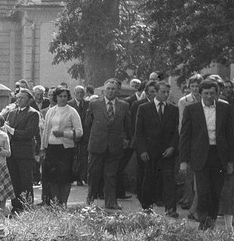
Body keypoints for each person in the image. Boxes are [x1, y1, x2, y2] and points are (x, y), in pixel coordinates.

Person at [179, 80, 234, 230]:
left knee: (216, 190)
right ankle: (204, 222)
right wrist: (183, 160)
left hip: (219, 155)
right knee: (203, 191)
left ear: (217, 93)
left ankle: (211, 220)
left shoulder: (225, 109)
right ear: (200, 94)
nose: (209, 96)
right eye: (206, 93)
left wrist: (230, 160)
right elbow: (185, 136)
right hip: (200, 155)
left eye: (212, 93)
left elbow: (231, 136)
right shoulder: (191, 110)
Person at [84, 78, 132, 211]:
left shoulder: (124, 105)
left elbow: (127, 125)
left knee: (111, 175)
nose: (111, 91)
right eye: (108, 89)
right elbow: (87, 124)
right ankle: (91, 199)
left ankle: (111, 201)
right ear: (104, 90)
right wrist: (92, 139)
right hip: (97, 144)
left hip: (115, 145)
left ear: (118, 91)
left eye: (113, 89)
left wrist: (127, 139)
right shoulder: (94, 104)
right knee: (94, 173)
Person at [134, 81, 179, 217]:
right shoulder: (144, 108)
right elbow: (139, 131)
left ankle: (170, 208)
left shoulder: (173, 109)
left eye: (167, 92)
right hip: (149, 151)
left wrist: (172, 147)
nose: (166, 95)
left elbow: (176, 132)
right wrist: (142, 150)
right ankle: (147, 207)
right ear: (156, 92)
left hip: (167, 151)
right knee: (149, 178)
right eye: (163, 92)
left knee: (169, 179)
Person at [39, 87, 83, 206]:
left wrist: (64, 134)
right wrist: (43, 148)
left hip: (65, 149)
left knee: (64, 177)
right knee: (52, 177)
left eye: (65, 96)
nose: (62, 99)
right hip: (51, 149)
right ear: (56, 97)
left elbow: (79, 132)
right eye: (60, 96)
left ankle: (63, 203)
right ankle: (55, 202)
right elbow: (46, 131)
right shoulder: (51, 111)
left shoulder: (72, 111)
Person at [2, 88, 41, 214]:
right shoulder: (12, 112)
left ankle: (27, 206)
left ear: (29, 100)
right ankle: (16, 206)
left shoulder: (33, 113)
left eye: (22, 98)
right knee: (14, 180)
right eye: (18, 97)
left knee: (25, 181)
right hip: (12, 152)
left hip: (24, 152)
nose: (19, 100)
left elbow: (29, 133)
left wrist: (11, 130)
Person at [177, 73, 203, 213]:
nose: (194, 88)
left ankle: (197, 204)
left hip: (202, 139)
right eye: (192, 86)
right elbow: (182, 123)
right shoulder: (184, 101)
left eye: (197, 85)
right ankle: (190, 200)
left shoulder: (205, 99)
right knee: (188, 173)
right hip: (189, 139)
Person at [72, 85, 90, 185]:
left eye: (81, 92)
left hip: (85, 134)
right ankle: (74, 177)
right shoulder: (70, 104)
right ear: (74, 93)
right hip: (73, 134)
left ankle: (82, 177)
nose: (79, 95)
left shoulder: (89, 104)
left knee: (83, 157)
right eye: (78, 93)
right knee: (74, 157)